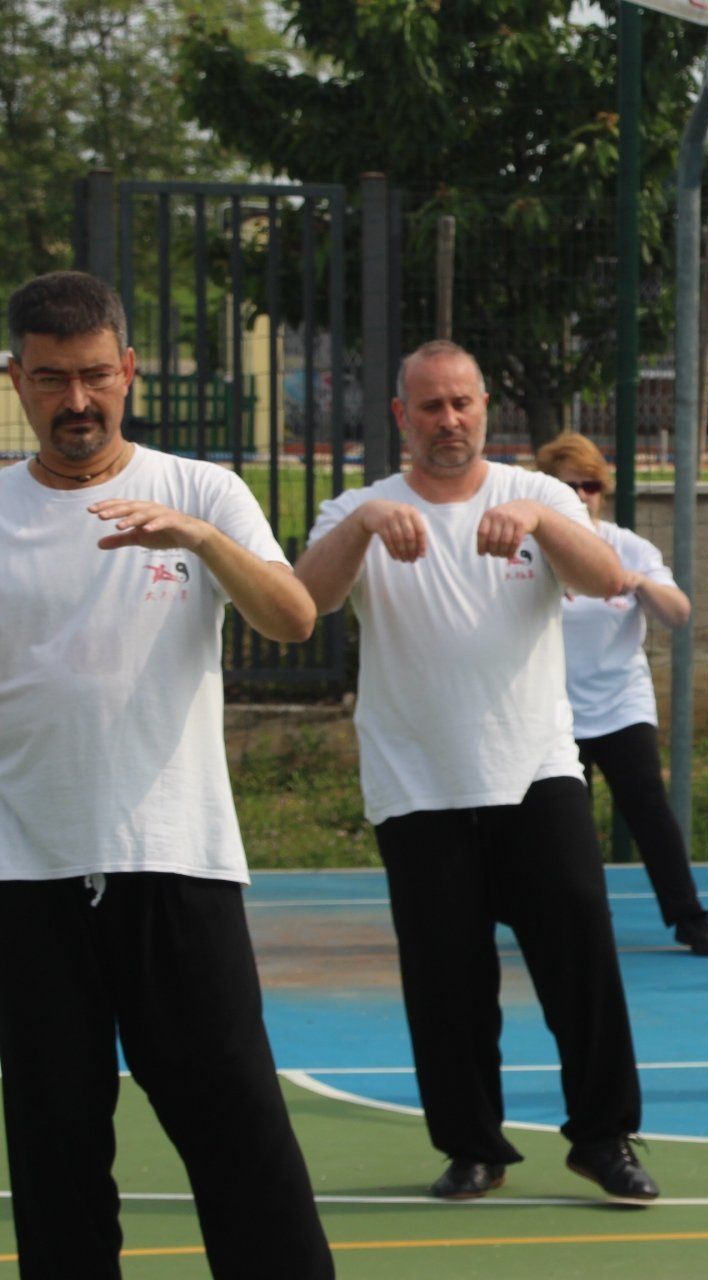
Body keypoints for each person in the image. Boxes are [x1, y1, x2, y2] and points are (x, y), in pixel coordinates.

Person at [0, 271, 333, 1276]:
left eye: (96, 375)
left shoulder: (203, 492)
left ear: (131, 370)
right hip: (26, 875)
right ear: (15, 379)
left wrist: (198, 539)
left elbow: (293, 615)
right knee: (54, 1144)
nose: (77, 401)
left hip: (173, 860)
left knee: (236, 1123)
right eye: (51, 379)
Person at [296, 340, 659, 1203]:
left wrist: (542, 521)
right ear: (400, 416)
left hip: (536, 772)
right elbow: (304, 602)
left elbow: (610, 576)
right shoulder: (358, 507)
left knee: (582, 962)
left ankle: (604, 1137)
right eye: (430, 406)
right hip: (417, 785)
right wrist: (358, 530)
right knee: (445, 982)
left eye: (462, 403)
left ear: (485, 406)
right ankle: (472, 1146)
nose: (448, 420)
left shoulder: (535, 495)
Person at [535, 432, 708, 956]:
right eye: (567, 487)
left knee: (649, 810)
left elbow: (678, 613)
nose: (580, 496)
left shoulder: (629, 547)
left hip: (621, 705)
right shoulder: (531, 550)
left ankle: (689, 916)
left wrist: (640, 584)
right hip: (553, 709)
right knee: (561, 824)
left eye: (590, 485)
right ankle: (578, 921)